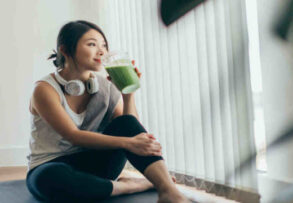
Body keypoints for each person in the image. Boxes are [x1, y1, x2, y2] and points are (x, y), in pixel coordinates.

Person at [26, 20, 189, 203]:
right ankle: (134, 185)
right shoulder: (45, 90)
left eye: (104, 45)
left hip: (95, 162)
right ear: (65, 50)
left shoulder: (105, 86)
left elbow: (129, 126)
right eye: (92, 44)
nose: (101, 51)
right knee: (50, 179)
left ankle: (167, 190)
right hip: (51, 165)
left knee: (125, 123)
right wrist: (128, 143)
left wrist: (128, 94)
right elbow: (73, 135)